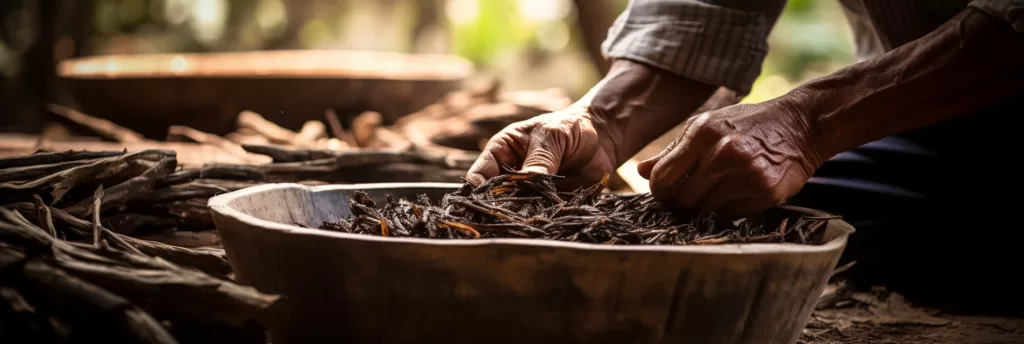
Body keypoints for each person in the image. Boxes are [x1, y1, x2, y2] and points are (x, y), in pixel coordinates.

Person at [467, 1, 1024, 314]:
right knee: (753, 207)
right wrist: (600, 122)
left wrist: (809, 120)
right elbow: (707, 12)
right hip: (917, 126)